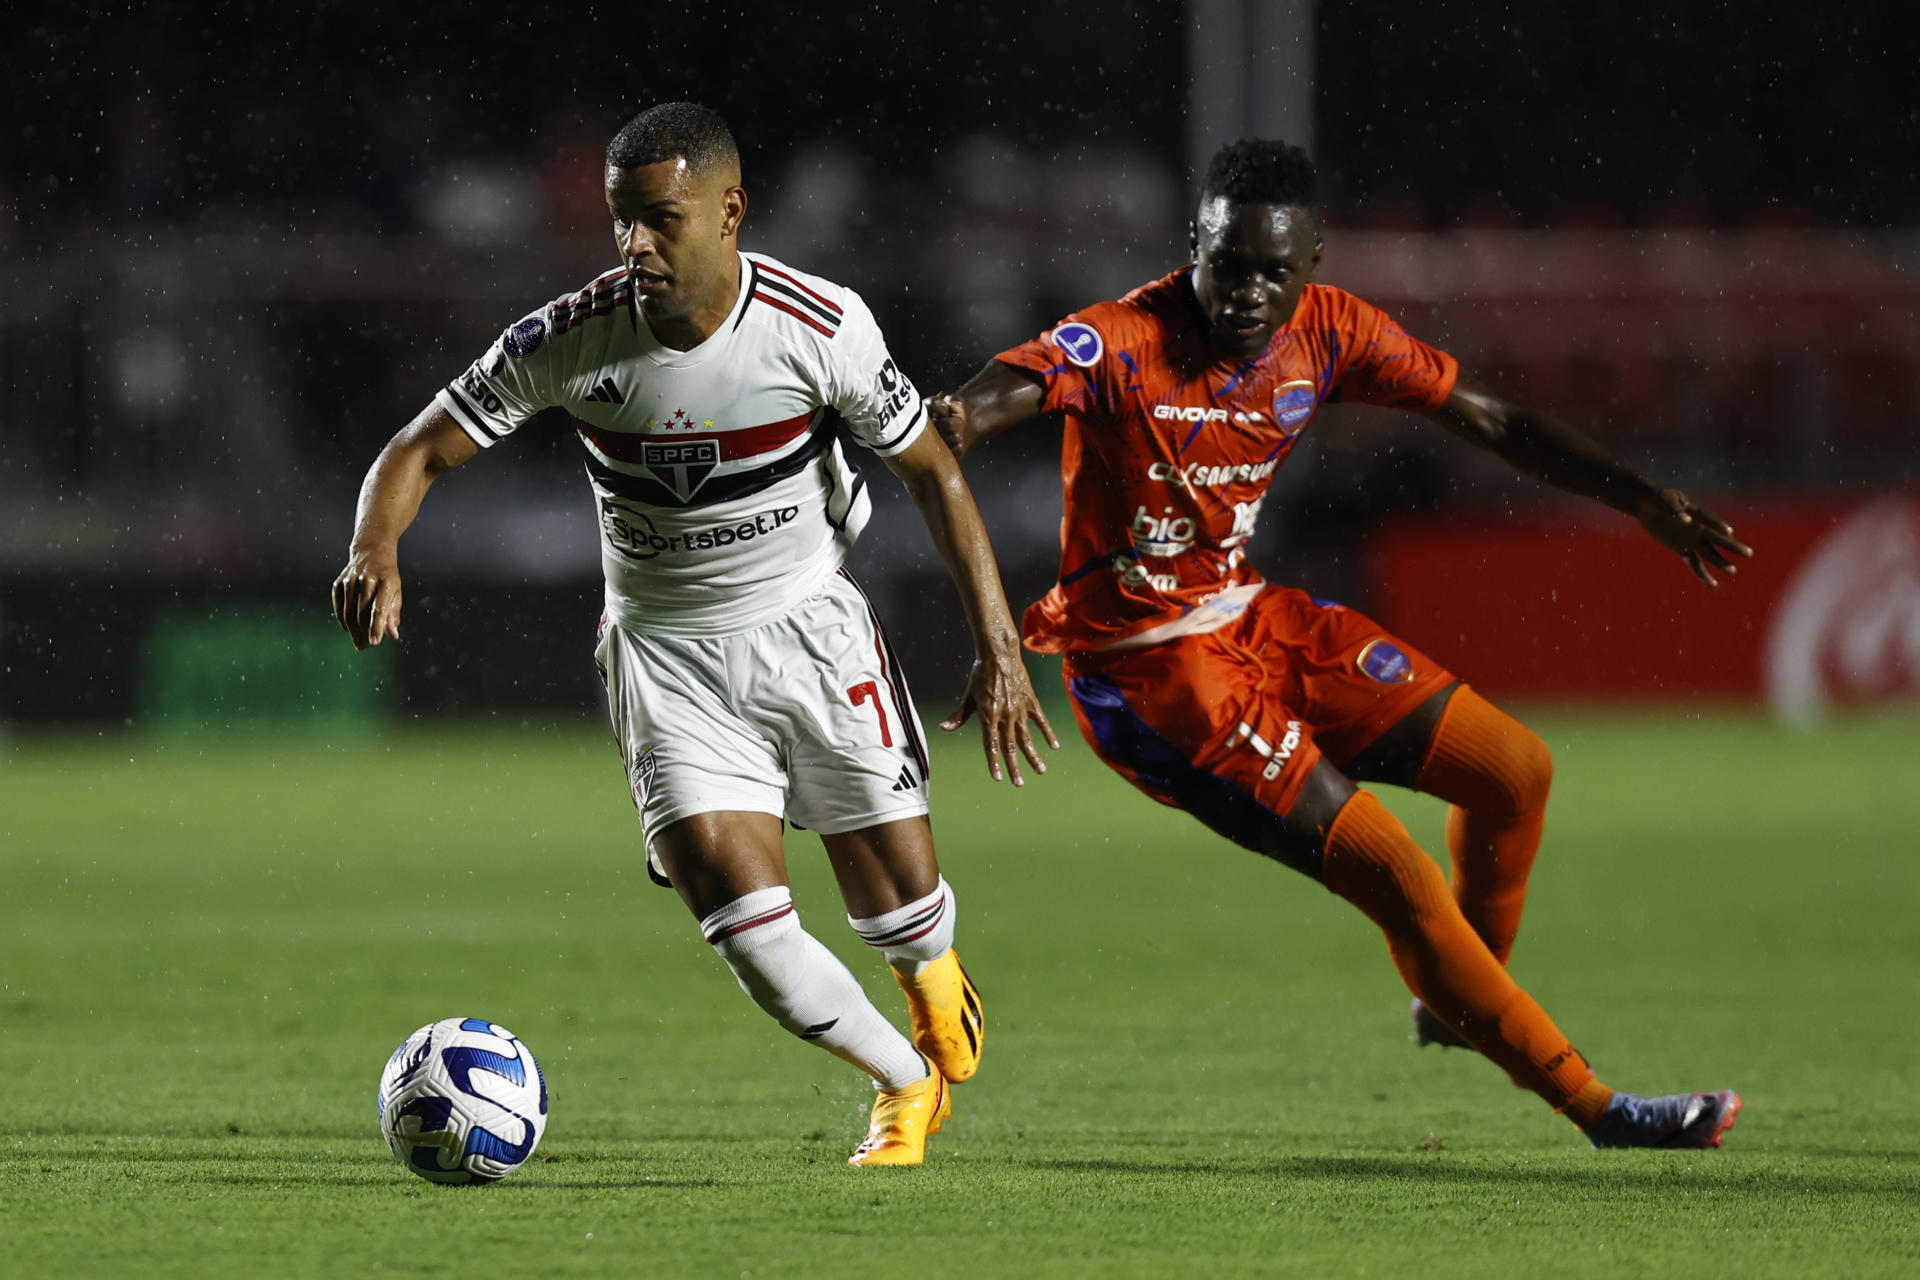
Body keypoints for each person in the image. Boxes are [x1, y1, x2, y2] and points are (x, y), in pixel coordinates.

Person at [931, 138, 1752, 1149]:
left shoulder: (1329, 331)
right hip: (1152, 678)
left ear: (1312, 262)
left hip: (1253, 619)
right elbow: (957, 423)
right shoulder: (1116, 342)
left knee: (1516, 772)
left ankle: (1461, 997)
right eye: (1228, 264)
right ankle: (1601, 1109)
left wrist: (1637, 495)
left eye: (1274, 271)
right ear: (1196, 244)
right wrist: (988, 614)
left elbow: (1487, 417)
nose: (1247, 292)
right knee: (1400, 876)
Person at [332, 102, 1056, 1166]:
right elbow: (419, 447)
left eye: (661, 219)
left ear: (731, 212)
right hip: (665, 659)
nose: (635, 245)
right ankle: (902, 1085)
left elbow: (931, 471)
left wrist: (998, 646)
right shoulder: (571, 336)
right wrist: (373, 545)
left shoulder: (821, 325)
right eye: (622, 220)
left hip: (811, 632)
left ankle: (935, 973)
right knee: (748, 929)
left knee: (900, 908)